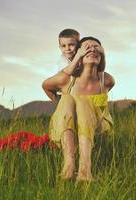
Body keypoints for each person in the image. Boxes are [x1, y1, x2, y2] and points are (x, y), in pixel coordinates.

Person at [43, 37, 115, 181]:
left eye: (96, 48)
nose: (92, 50)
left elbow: (101, 67)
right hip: (66, 127)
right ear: (79, 55)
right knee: (67, 98)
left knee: (82, 102)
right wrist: (59, 102)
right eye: (87, 47)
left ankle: (84, 170)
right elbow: (46, 85)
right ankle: (69, 166)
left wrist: (103, 54)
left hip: (98, 127)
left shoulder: (106, 80)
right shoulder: (67, 79)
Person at [43, 29, 106, 102]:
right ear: (59, 47)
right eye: (63, 46)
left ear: (78, 45)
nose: (67, 49)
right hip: (62, 93)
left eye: (71, 45)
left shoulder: (81, 56)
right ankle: (58, 103)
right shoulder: (63, 61)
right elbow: (70, 72)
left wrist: (102, 54)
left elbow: (101, 70)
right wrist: (79, 55)